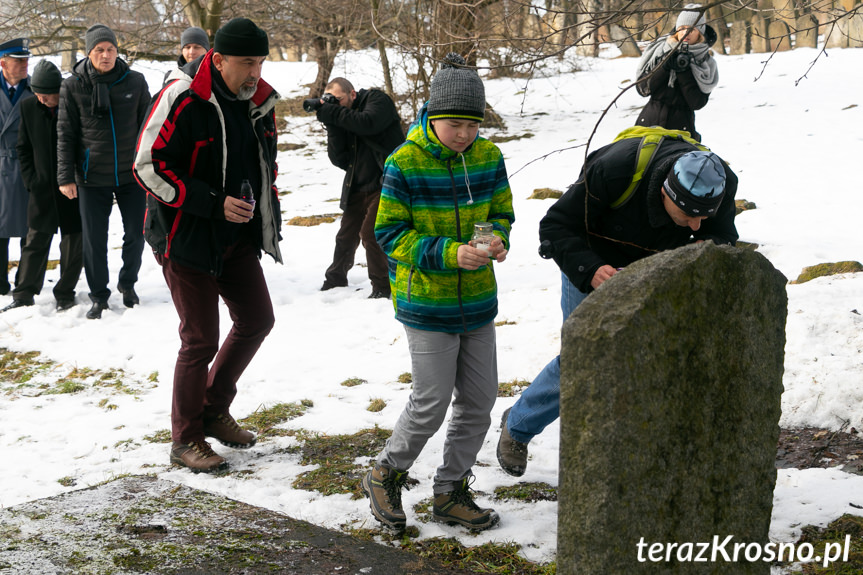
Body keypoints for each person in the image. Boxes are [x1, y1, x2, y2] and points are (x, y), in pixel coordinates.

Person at [496, 136, 738, 478]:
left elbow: (724, 234)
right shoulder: (615, 170)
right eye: (688, 215)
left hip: (659, 270)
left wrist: (706, 247)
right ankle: (518, 426)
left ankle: (637, 454)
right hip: (594, 264)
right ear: (665, 192)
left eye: (704, 216)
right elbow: (555, 227)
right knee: (585, 356)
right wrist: (590, 269)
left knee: (653, 356)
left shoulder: (720, 181)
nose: (697, 224)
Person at [362, 53, 514, 532]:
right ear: (432, 114)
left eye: (472, 124)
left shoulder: (489, 157)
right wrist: (447, 253)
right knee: (431, 401)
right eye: (454, 124)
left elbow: (503, 211)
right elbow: (388, 233)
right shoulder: (403, 162)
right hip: (426, 302)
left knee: (479, 400)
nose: (464, 134)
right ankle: (385, 472)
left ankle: (450, 490)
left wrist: (500, 239)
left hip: (478, 302)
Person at [134, 18, 282, 473]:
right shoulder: (181, 96)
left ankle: (214, 409)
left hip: (236, 236)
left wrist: (264, 206)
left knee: (257, 319)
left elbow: (265, 162)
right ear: (217, 60)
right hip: (184, 237)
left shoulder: (259, 100)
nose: (255, 72)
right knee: (200, 338)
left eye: (259, 62)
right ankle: (185, 438)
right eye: (246, 63)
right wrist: (212, 203)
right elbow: (146, 165)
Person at [57, 24, 151, 319]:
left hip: (130, 174)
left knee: (136, 232)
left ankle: (128, 283)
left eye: (111, 49)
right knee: (94, 239)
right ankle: (99, 295)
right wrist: (65, 176)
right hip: (90, 176)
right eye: (100, 50)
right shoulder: (72, 85)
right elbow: (65, 134)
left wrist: (148, 168)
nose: (106, 55)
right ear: (89, 53)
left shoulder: (135, 81)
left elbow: (148, 128)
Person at [311, 78, 404, 298]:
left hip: (386, 182)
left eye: (339, 99)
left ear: (352, 94)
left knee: (370, 234)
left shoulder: (377, 100)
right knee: (346, 235)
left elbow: (368, 122)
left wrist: (332, 113)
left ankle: (382, 287)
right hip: (358, 184)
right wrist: (333, 127)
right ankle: (335, 279)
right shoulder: (343, 116)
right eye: (331, 100)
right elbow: (339, 159)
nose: (336, 104)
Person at [2, 60, 82, 313]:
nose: (42, 99)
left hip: (72, 188)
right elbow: (23, 148)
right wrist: (31, 181)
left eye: (47, 95)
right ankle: (24, 293)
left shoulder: (73, 107)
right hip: (41, 189)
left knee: (73, 244)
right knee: (35, 242)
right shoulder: (28, 107)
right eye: (37, 93)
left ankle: (65, 293)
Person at [634, 4, 718, 142]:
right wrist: (664, 66)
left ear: (700, 33)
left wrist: (684, 71)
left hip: (681, 130)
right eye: (682, 28)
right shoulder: (660, 51)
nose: (686, 33)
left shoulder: (706, 63)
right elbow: (643, 89)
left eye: (692, 29)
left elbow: (697, 103)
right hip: (648, 124)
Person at [0, 37, 33, 296]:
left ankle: (26, 283)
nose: (24, 65)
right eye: (18, 61)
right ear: (3, 63)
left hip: (27, 167)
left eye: (26, 60)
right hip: (1, 167)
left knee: (29, 228)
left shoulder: (37, 89)